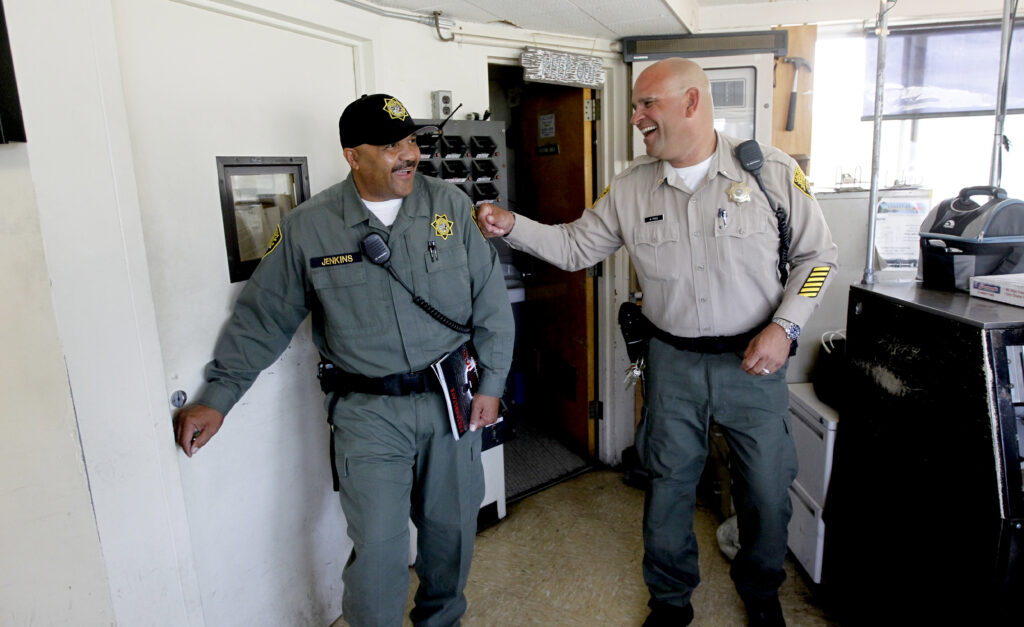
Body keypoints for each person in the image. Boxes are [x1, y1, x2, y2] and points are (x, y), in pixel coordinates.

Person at [476, 58, 838, 627]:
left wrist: (786, 327)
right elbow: (575, 248)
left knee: (767, 491)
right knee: (668, 489)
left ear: (692, 102)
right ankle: (670, 603)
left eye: (647, 105)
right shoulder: (629, 187)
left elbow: (819, 258)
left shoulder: (767, 171)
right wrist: (511, 224)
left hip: (755, 363)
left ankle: (762, 592)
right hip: (672, 363)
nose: (636, 118)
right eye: (636, 107)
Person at [174, 93, 515, 627]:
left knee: (450, 534)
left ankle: (441, 620)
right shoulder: (310, 227)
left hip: (453, 400)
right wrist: (217, 398)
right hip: (369, 413)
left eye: (410, 142)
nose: (408, 155)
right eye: (389, 145)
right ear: (353, 156)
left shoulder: (447, 206)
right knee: (379, 550)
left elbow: (491, 304)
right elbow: (263, 317)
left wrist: (492, 385)